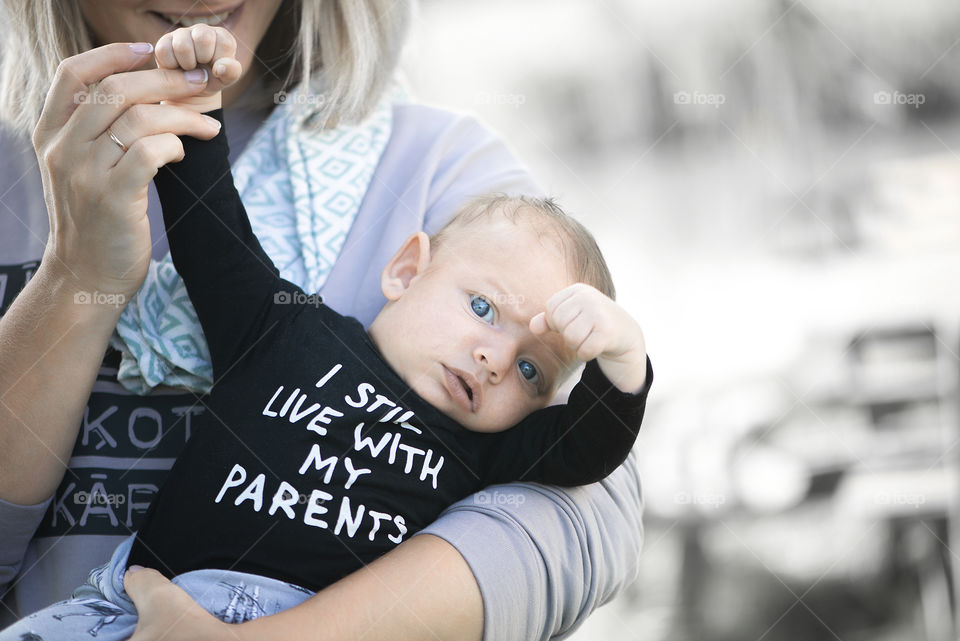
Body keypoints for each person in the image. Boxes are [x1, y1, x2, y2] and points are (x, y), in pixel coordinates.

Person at [0, 3, 647, 640]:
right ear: (405, 268)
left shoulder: (484, 443)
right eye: (482, 309)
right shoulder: (293, 332)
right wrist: (79, 270)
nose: (495, 358)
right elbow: (215, 239)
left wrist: (624, 362)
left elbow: (591, 476)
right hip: (127, 606)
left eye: (531, 368)